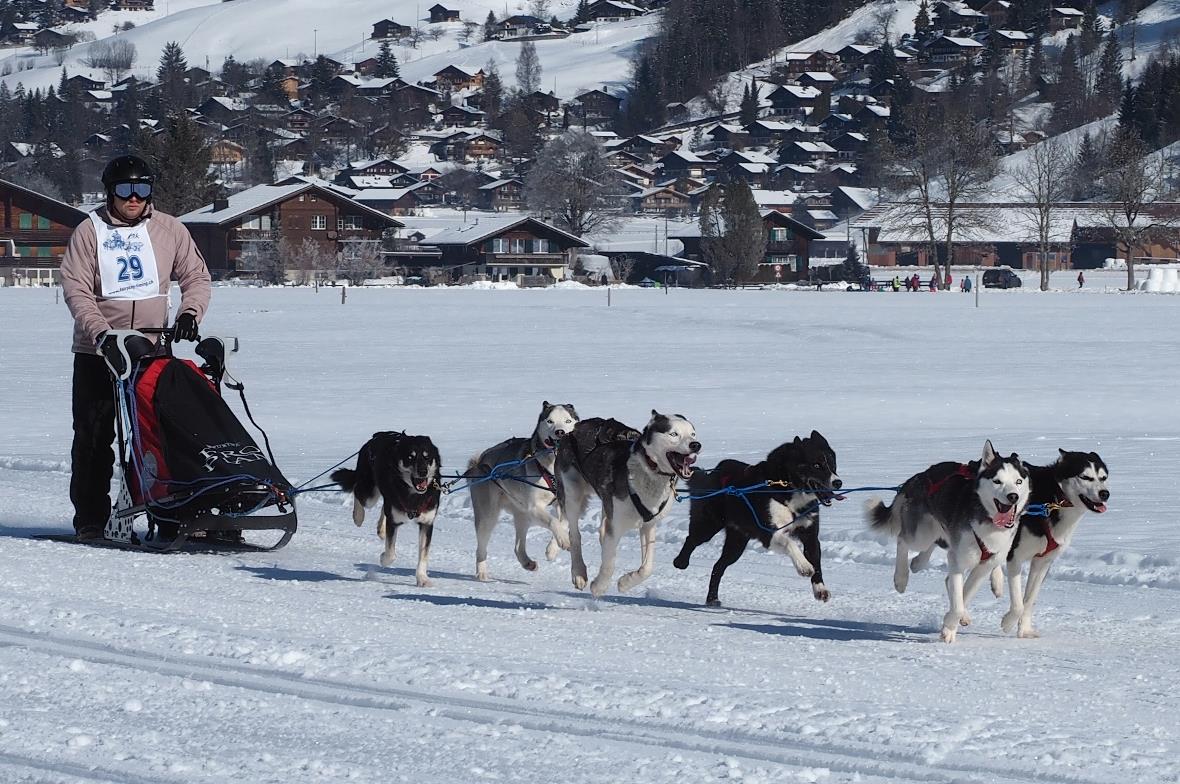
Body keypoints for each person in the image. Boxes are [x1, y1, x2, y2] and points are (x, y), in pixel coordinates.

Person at [60, 155, 211, 541]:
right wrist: (100, 334)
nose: (133, 198)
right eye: (125, 190)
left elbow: (196, 276)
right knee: (94, 438)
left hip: (150, 351)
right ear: (110, 192)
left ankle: (168, 512)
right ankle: (91, 519)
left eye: (141, 190)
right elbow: (76, 290)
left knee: (157, 436)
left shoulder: (169, 230)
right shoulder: (89, 231)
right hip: (100, 353)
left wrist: (190, 313)